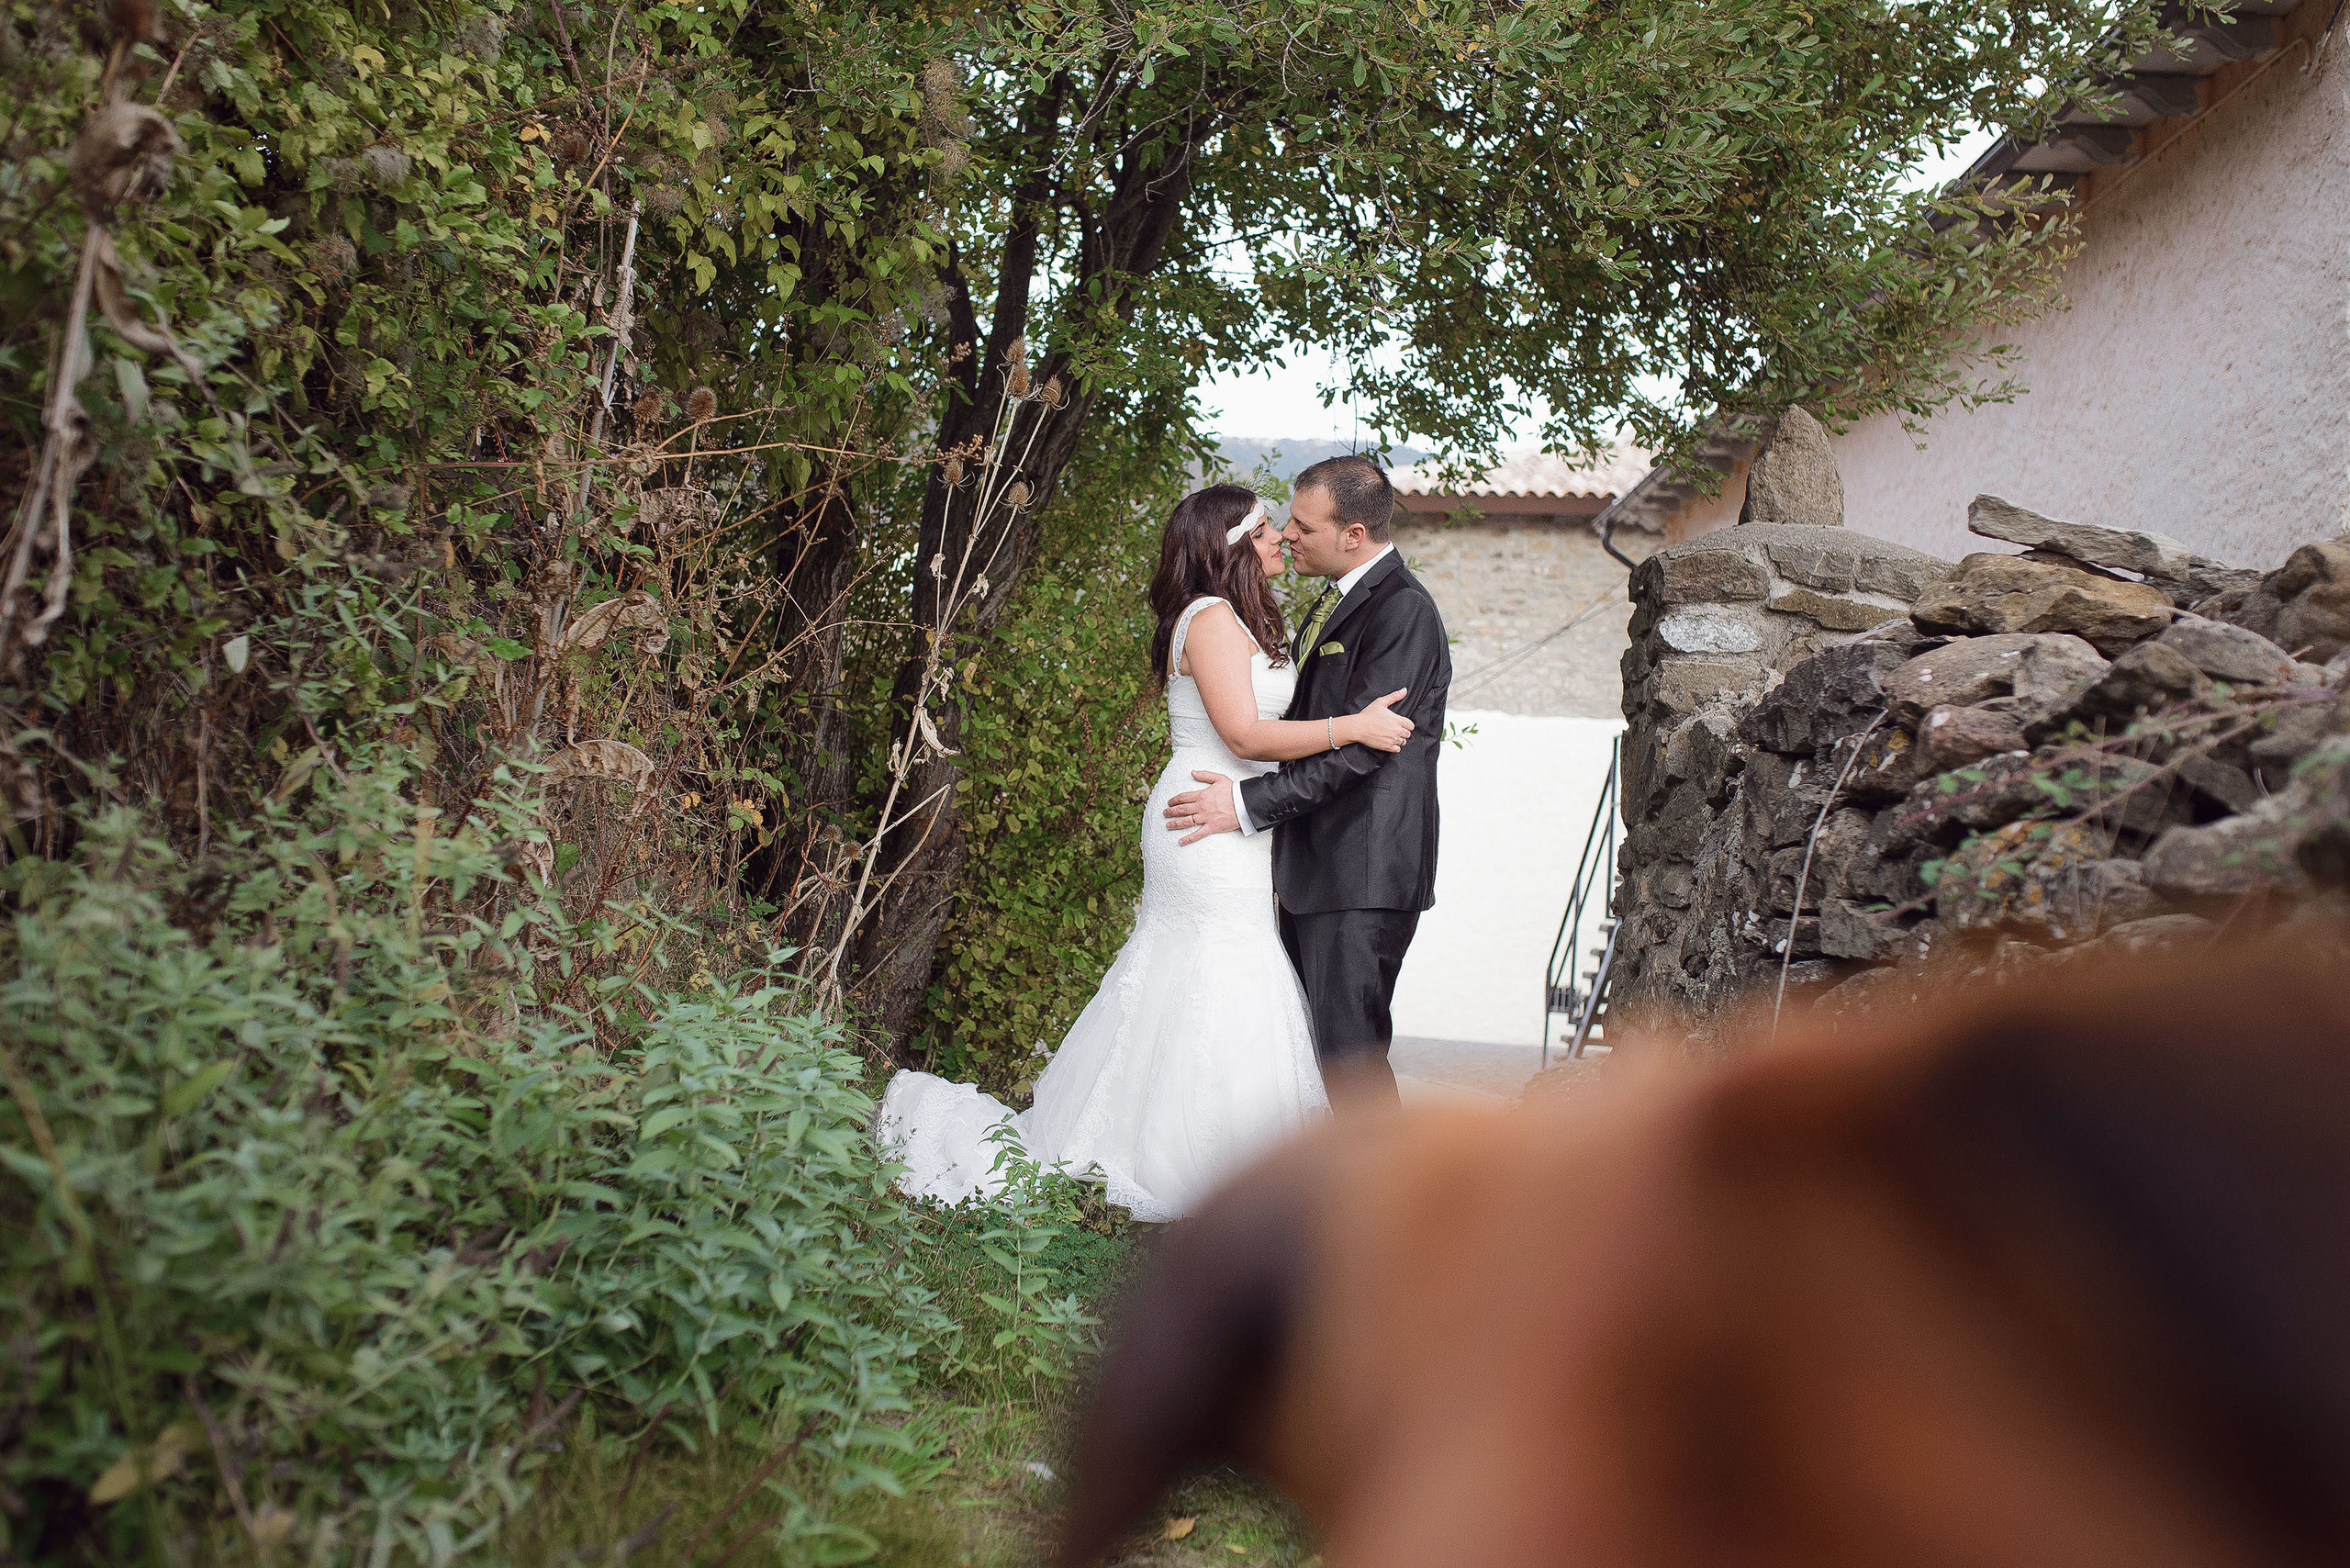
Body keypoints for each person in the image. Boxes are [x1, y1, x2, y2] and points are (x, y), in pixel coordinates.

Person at [876, 483, 1419, 1220]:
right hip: (1206, 818)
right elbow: (1245, 736)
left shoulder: (1244, 619)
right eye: (1263, 530)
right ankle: (1194, 1160)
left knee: (1219, 968)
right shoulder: (1211, 619)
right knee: (1216, 964)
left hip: (1236, 820)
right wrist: (1349, 727)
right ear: (1227, 549)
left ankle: (1221, 1151)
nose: (1279, 539)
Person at [1164, 456, 1451, 1107]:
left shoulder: (1401, 612)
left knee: (1348, 1061)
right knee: (1309, 1056)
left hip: (1361, 868)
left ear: (1354, 534)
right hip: (1315, 866)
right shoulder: (1333, 599)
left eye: (1302, 524)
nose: (1288, 535)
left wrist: (1245, 804)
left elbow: (1364, 753)